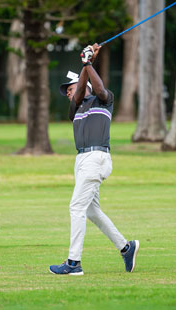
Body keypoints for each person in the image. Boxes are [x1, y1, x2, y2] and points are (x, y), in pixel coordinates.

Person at [49, 44, 139, 275]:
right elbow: (80, 90)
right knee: (90, 211)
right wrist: (86, 63)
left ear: (84, 84)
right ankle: (126, 247)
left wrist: (88, 63)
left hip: (96, 157)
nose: (69, 93)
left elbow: (95, 87)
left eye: (70, 89)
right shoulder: (75, 108)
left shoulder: (104, 100)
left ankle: (73, 263)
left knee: (76, 208)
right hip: (82, 161)